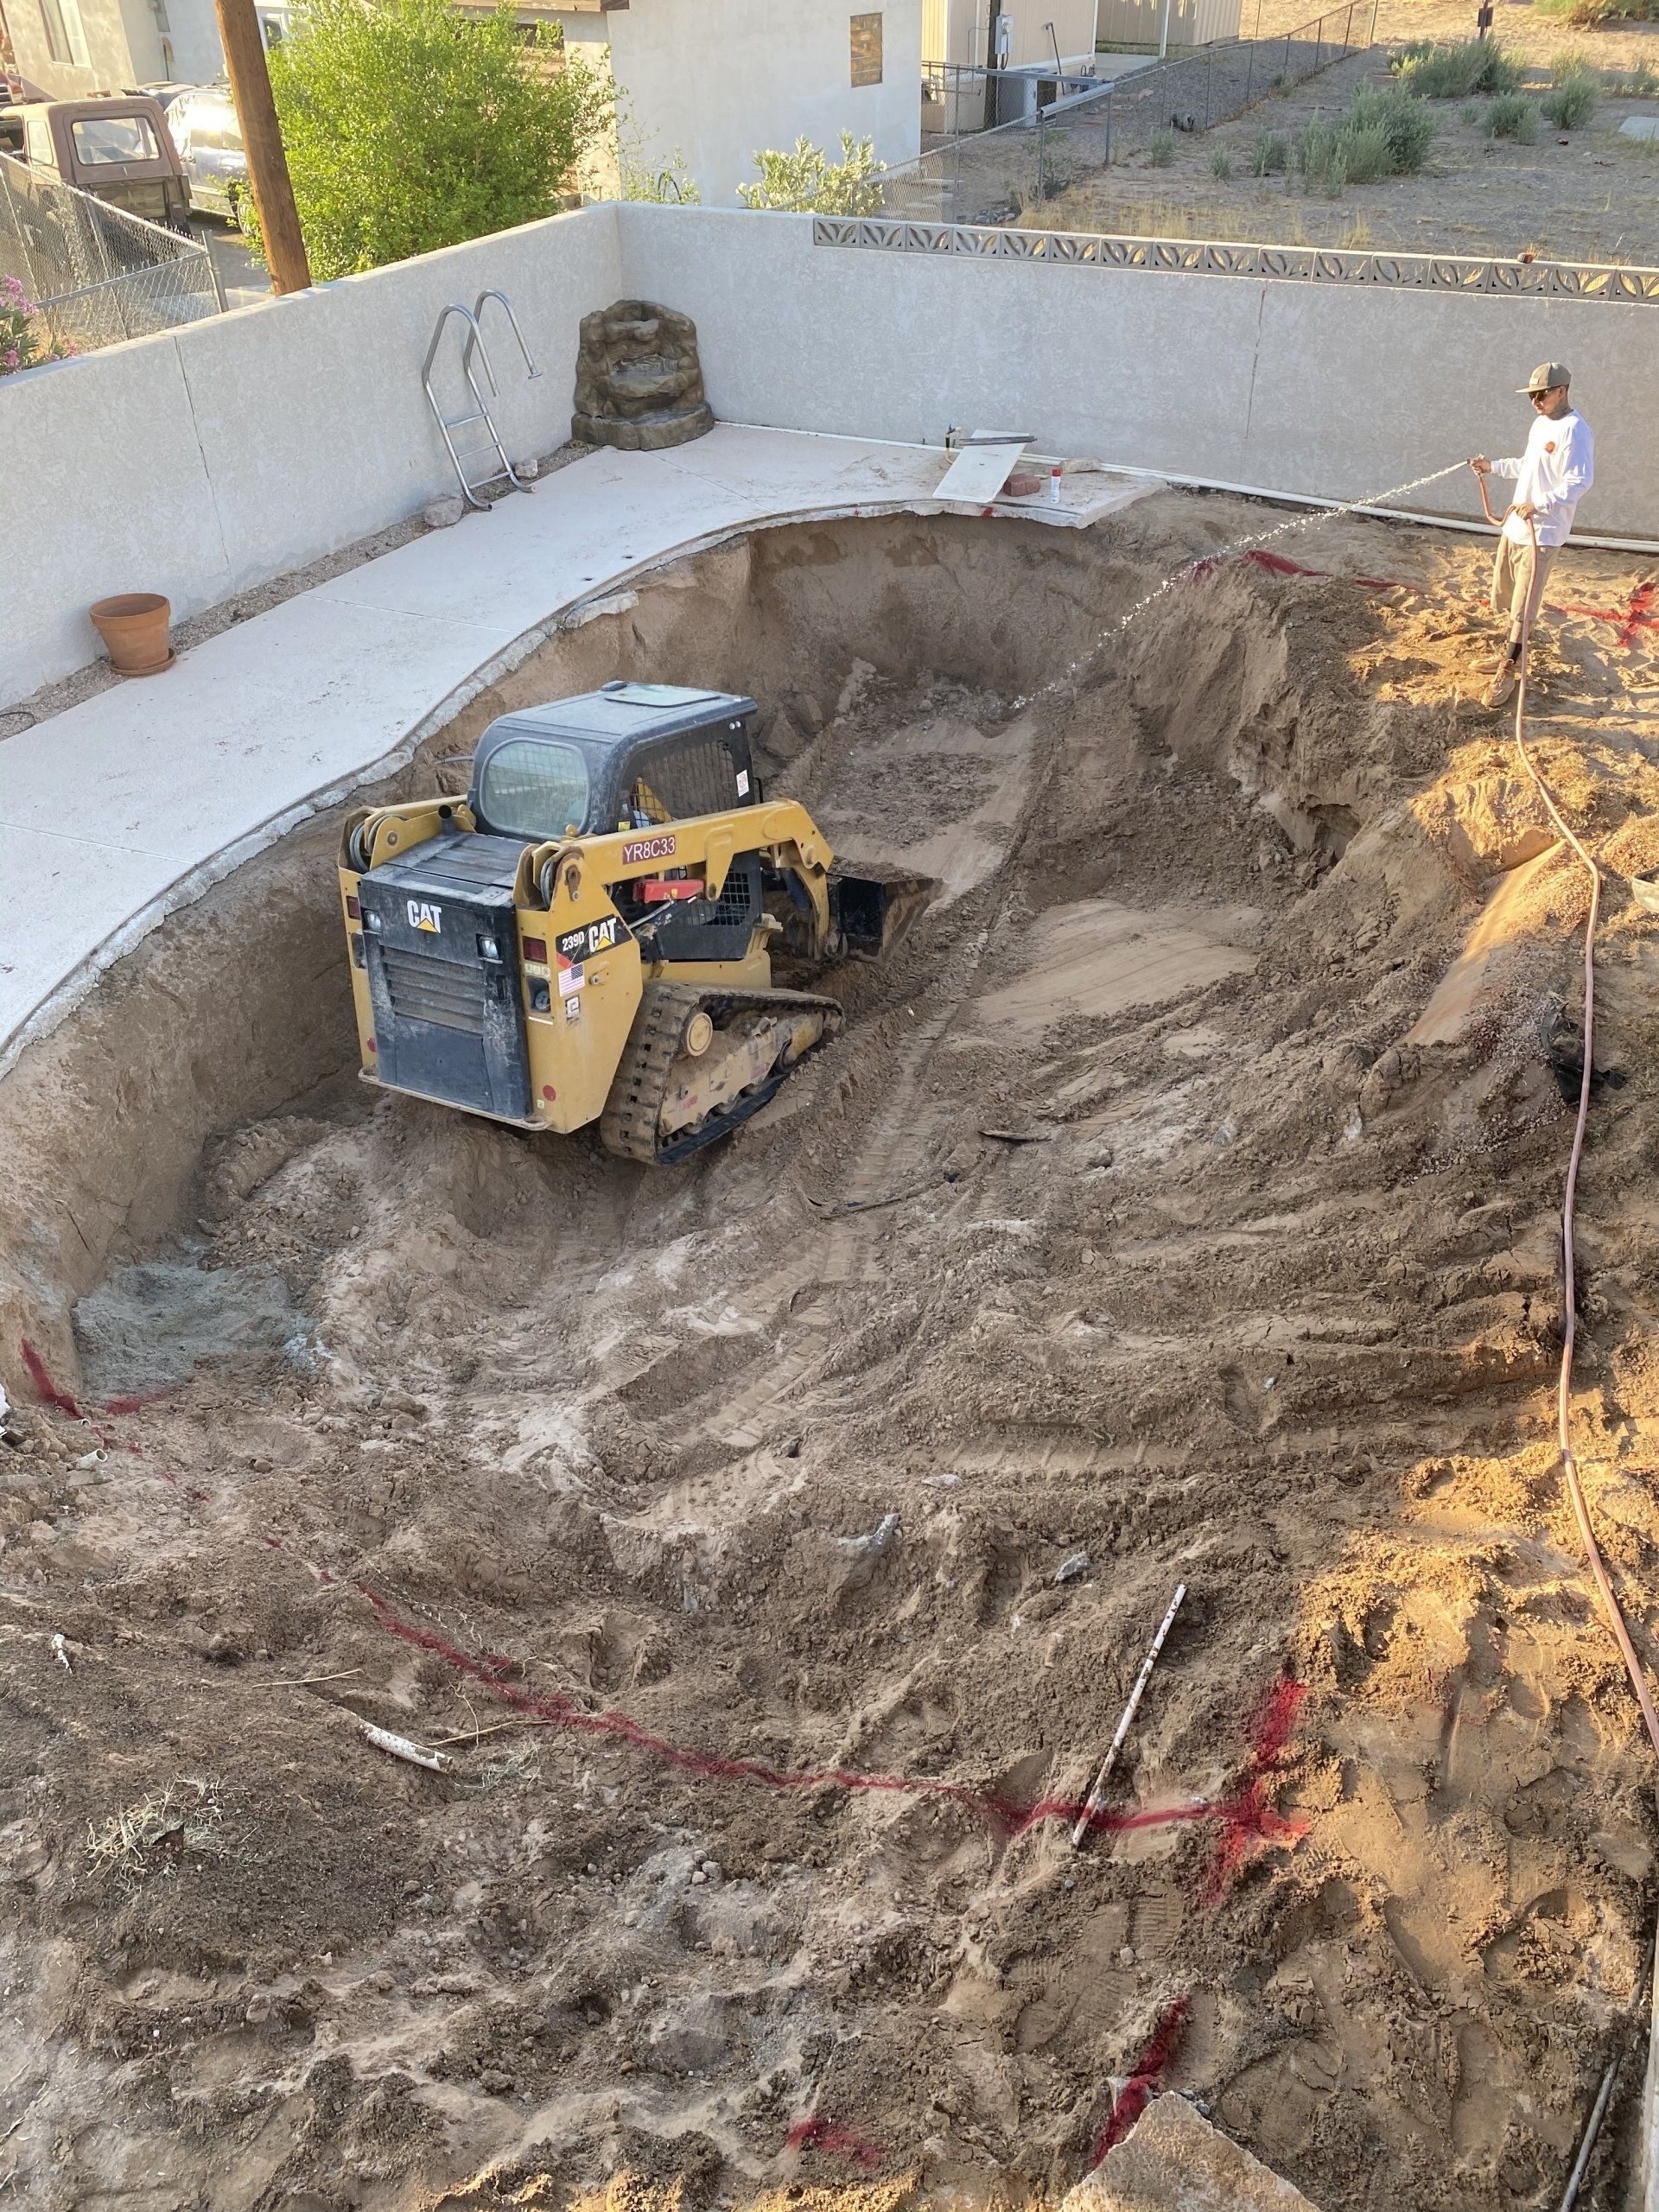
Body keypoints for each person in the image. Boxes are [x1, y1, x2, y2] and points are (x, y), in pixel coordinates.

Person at [1471, 364, 1593, 710]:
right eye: (1531, 396)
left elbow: (1580, 481)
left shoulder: (1576, 430)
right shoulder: (1541, 424)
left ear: (1562, 390)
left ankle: (1508, 669)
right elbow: (1528, 464)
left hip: (1543, 531)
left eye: (1542, 394)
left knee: (1525, 605)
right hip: (1516, 528)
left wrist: (1539, 504)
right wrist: (1493, 467)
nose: (1536, 401)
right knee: (1511, 597)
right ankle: (1507, 655)